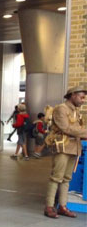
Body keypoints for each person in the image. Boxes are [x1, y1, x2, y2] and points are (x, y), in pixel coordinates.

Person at [43, 86, 87, 219]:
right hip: (62, 146)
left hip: (73, 147)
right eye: (81, 97)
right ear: (72, 95)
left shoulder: (75, 111)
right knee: (56, 177)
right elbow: (66, 128)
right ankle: (49, 206)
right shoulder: (61, 108)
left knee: (66, 178)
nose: (83, 100)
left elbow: (78, 128)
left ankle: (62, 206)